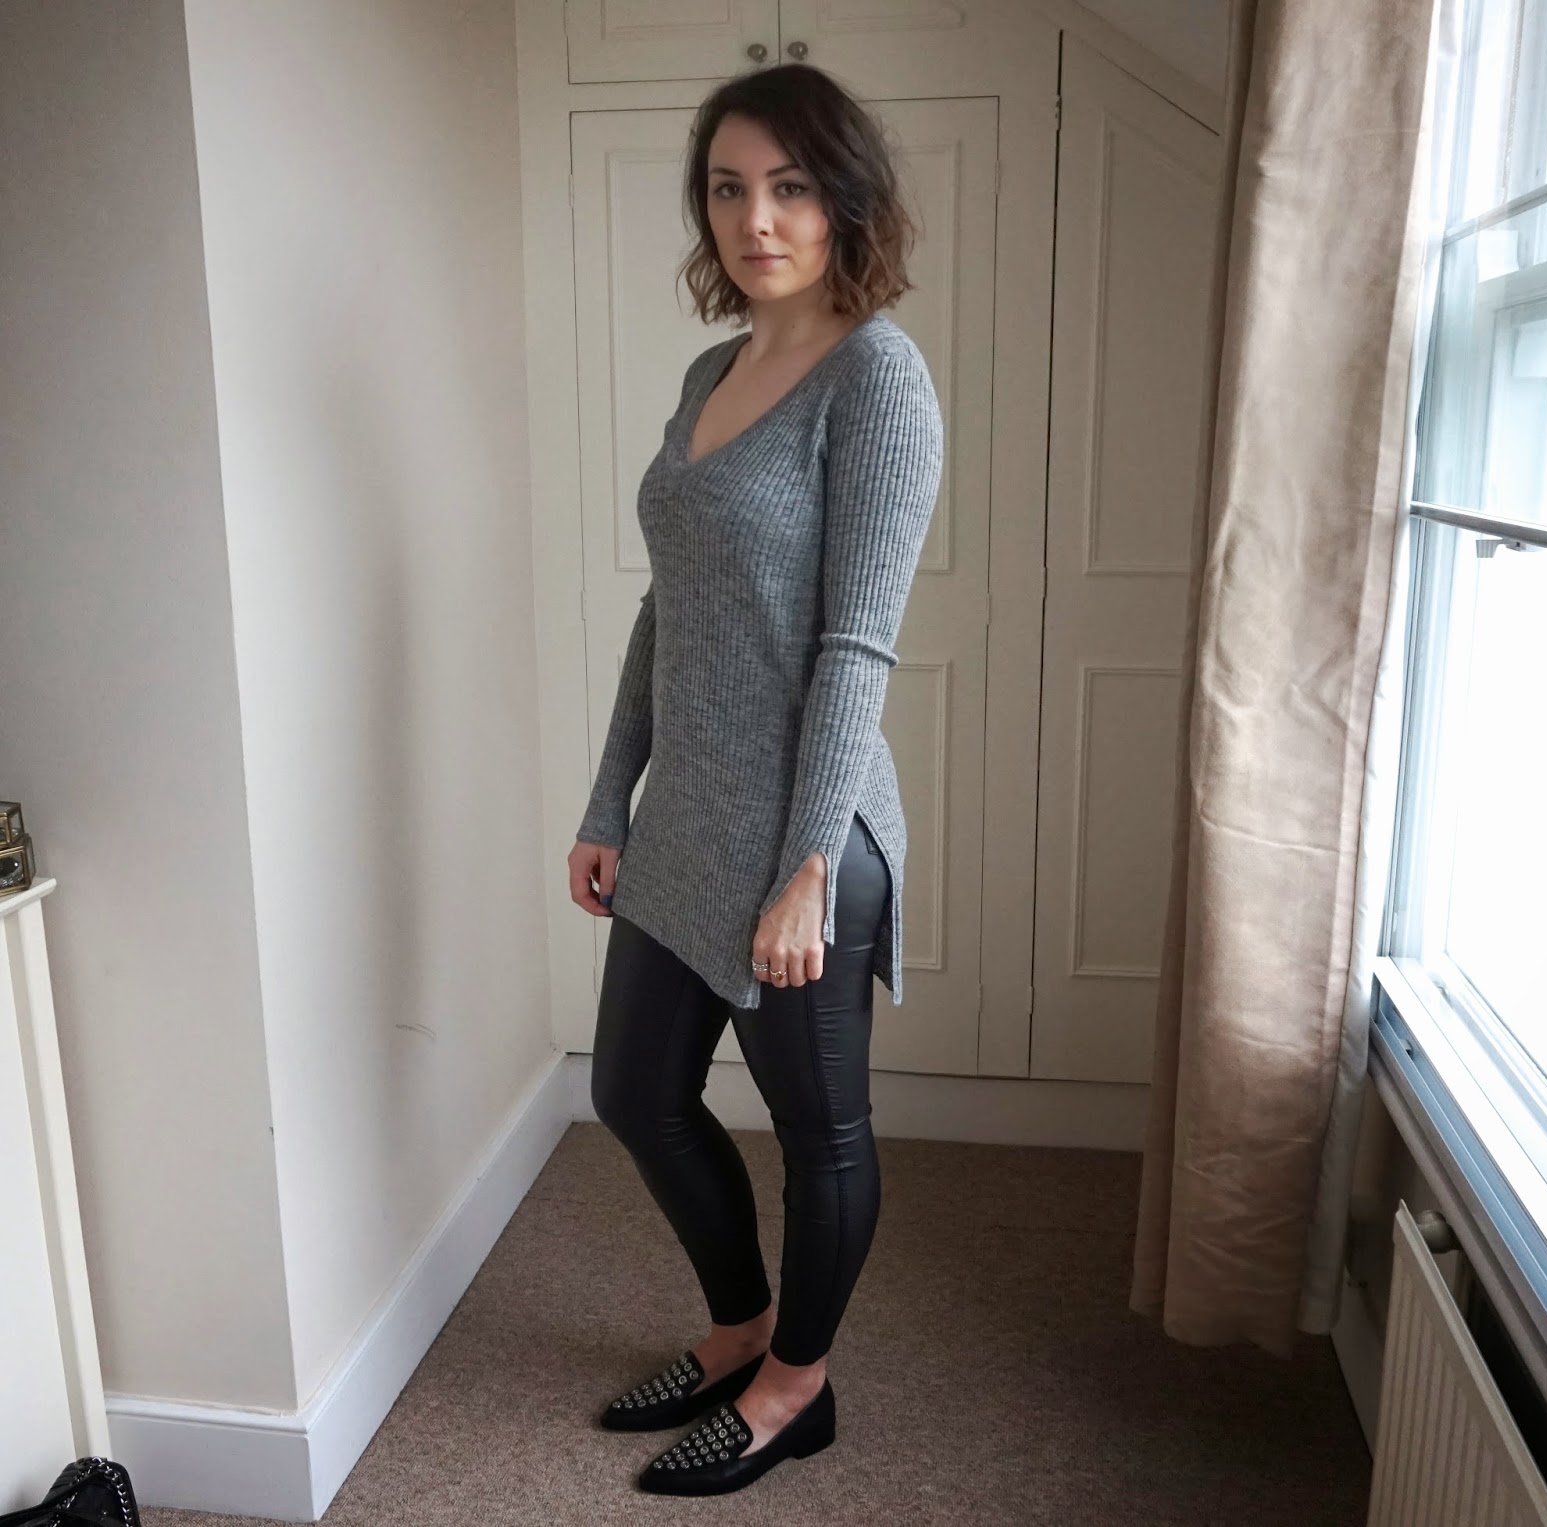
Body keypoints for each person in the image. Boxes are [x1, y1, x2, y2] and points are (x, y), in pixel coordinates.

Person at [567, 61, 944, 1499]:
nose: (756, 218)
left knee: (818, 1131)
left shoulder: (878, 376)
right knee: (635, 1092)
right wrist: (609, 799)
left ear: (843, 198)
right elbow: (667, 609)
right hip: (685, 821)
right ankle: (736, 1329)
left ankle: (797, 1384)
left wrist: (806, 866)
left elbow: (857, 644)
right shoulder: (708, 376)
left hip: (809, 834)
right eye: (729, 189)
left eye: (788, 186)